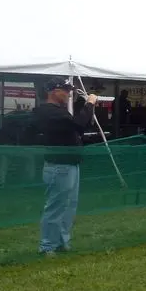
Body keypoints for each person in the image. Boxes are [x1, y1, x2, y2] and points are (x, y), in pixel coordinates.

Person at [30, 78, 97, 255]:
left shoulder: (59, 111)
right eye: (65, 90)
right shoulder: (48, 111)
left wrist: (85, 104)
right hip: (59, 165)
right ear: (53, 91)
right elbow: (80, 123)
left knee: (69, 206)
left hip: (70, 164)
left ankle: (61, 242)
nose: (68, 94)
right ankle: (47, 246)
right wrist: (89, 104)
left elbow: (78, 127)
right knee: (56, 207)